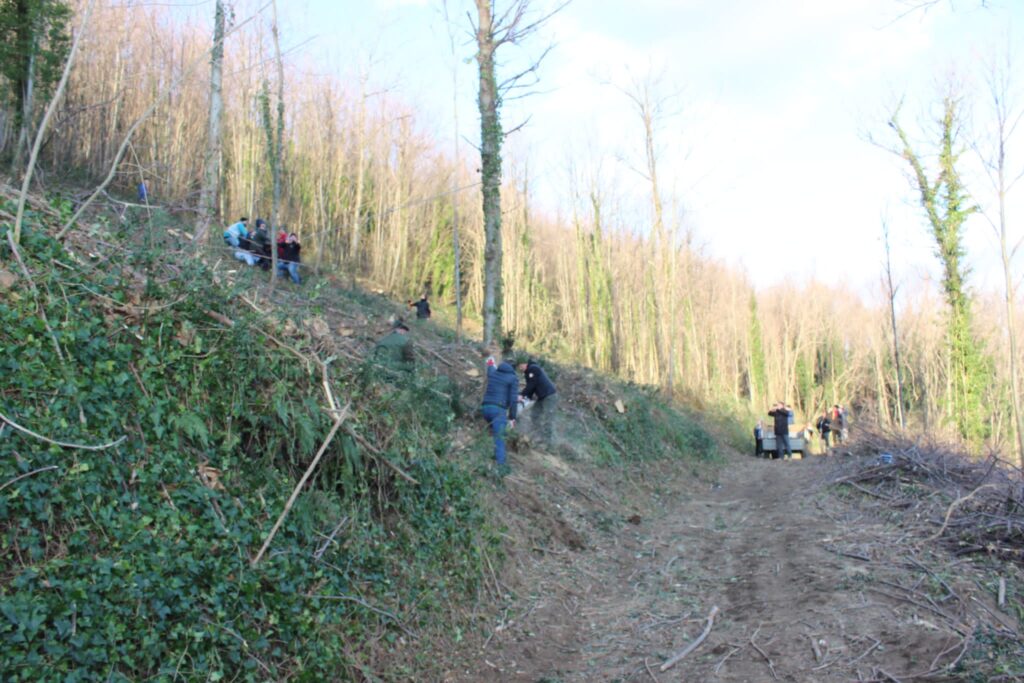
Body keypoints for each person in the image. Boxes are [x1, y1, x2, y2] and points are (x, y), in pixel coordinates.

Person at [480, 350, 519, 473]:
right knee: (500, 437)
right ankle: (500, 467)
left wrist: (490, 361)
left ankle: (491, 454)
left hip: (485, 409)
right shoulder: (513, 378)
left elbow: (490, 367)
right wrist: (512, 418)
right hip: (498, 410)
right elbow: (513, 400)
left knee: (496, 430)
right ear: (513, 368)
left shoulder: (494, 373)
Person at [518, 358, 557, 446]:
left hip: (549, 396)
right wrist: (526, 397)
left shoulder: (533, 369)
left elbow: (532, 385)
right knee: (534, 415)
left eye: (520, 366)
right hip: (542, 397)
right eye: (518, 367)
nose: (519, 368)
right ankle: (537, 435)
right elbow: (531, 388)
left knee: (548, 419)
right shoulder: (528, 372)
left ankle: (549, 443)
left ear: (525, 363)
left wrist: (522, 395)